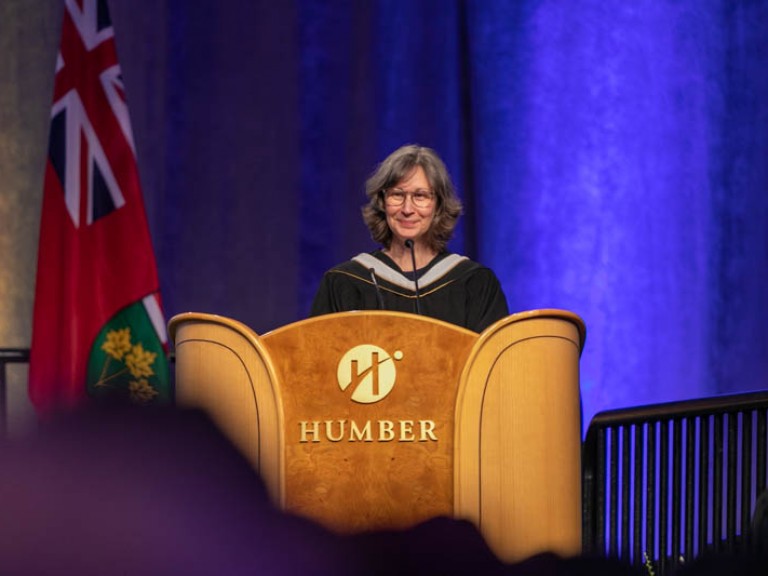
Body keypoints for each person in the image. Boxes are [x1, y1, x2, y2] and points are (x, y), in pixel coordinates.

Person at [311, 144, 508, 333]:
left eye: (420, 196)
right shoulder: (345, 282)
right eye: (397, 195)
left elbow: (493, 362)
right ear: (382, 201)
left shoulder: (475, 283)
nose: (407, 209)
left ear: (438, 205)